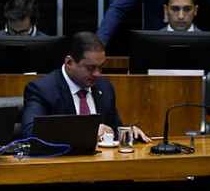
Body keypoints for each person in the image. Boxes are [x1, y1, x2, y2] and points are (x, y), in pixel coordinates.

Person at [21, 31, 151, 143]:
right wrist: (88, 132)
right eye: (90, 68)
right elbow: (30, 133)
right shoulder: (42, 89)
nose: (97, 74)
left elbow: (113, 129)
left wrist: (128, 131)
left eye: (100, 67)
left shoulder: (104, 87)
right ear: (69, 62)